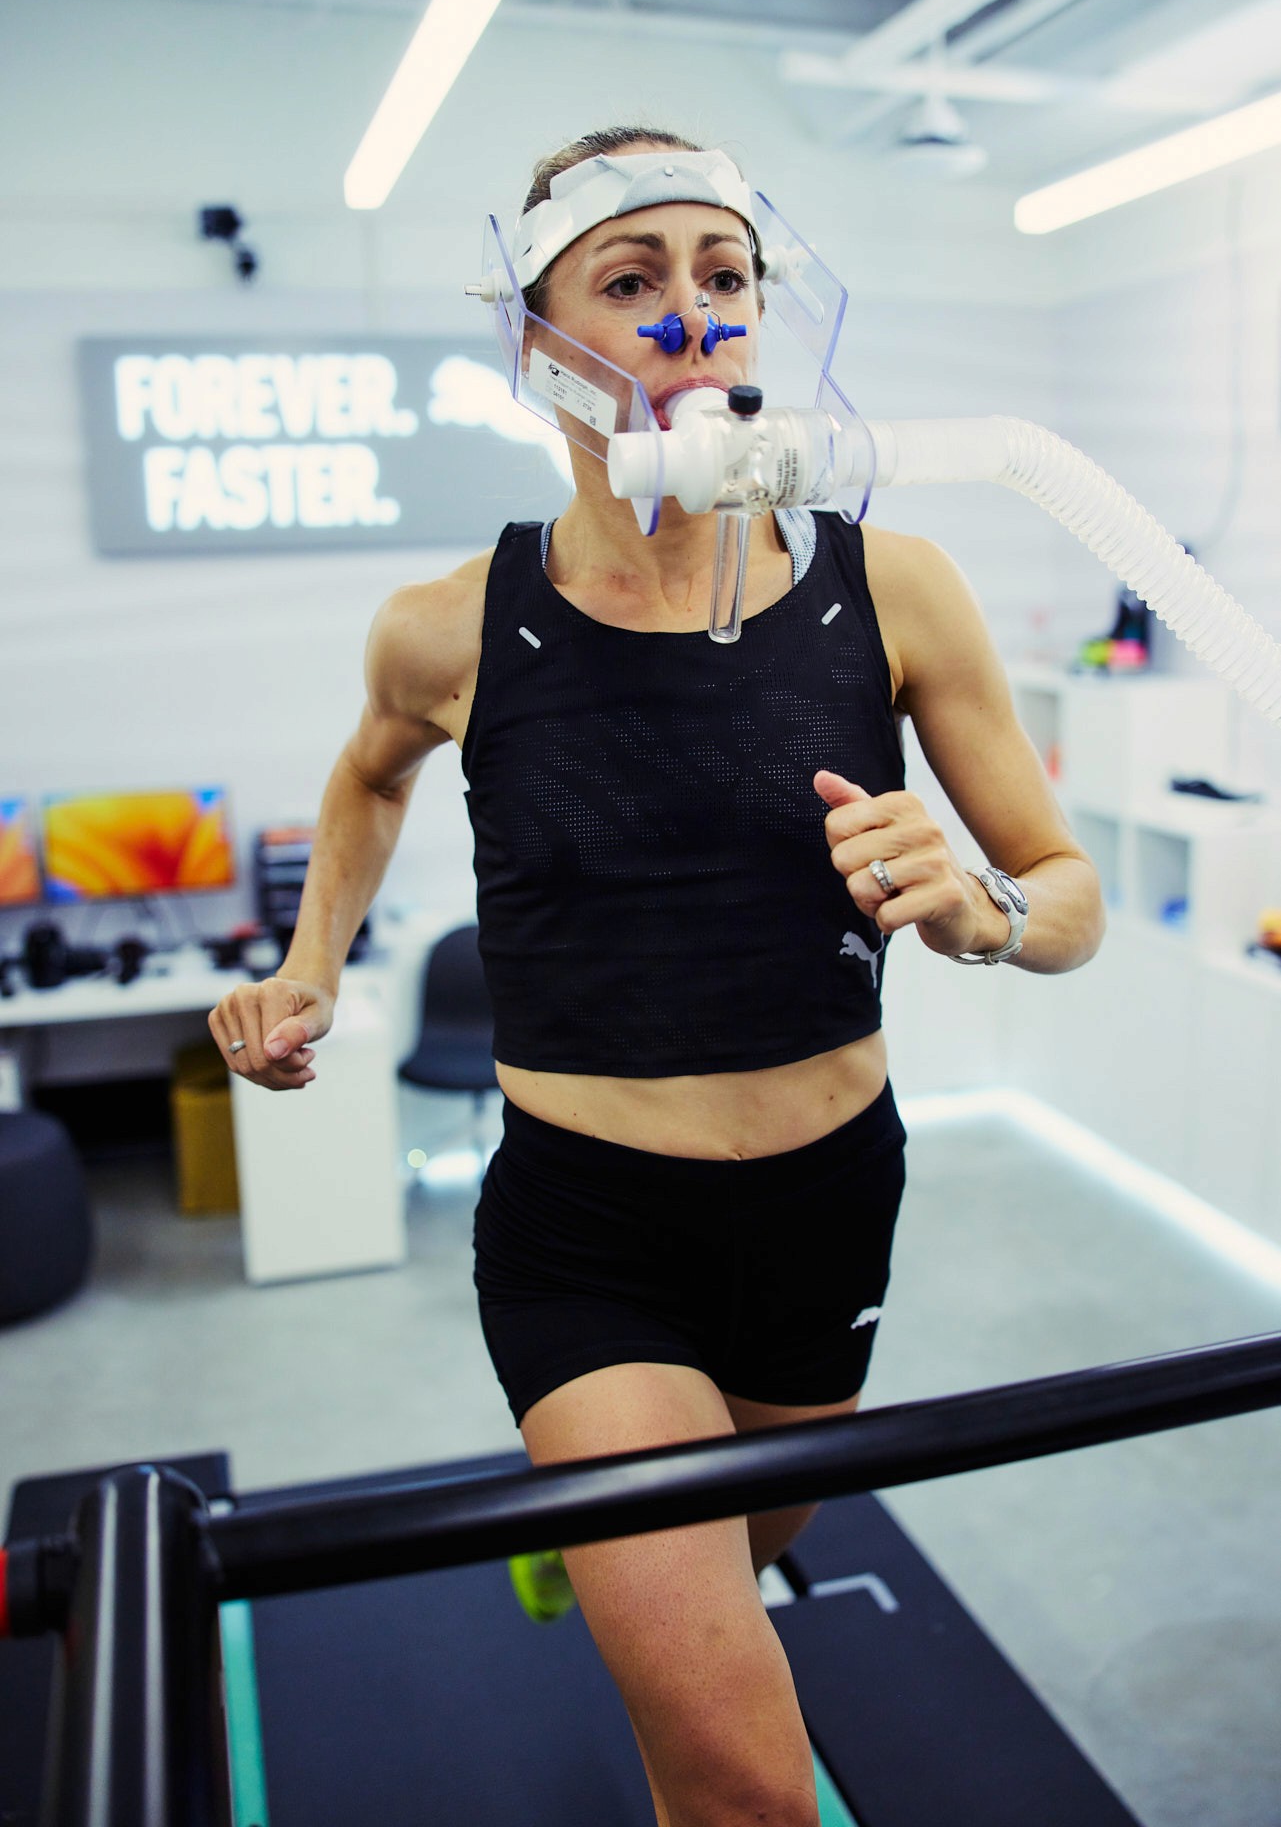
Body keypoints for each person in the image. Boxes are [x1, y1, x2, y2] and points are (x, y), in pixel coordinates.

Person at [209, 124, 1105, 1827]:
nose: (695, 317)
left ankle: (600, 1555)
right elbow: (368, 778)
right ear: (535, 345)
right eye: (632, 280)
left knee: (749, 1549)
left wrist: (977, 908)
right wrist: (308, 965)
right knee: (744, 1772)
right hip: (589, 1233)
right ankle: (615, 1546)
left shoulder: (896, 588)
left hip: (830, 1201)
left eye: (726, 275)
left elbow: (1068, 899)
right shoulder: (445, 625)